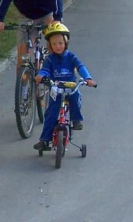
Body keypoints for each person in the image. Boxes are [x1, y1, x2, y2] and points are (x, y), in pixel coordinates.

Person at [33, 23, 96, 151]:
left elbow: (81, 67)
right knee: (51, 113)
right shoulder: (50, 59)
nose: (57, 46)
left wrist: (88, 78)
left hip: (70, 87)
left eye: (60, 43)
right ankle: (44, 140)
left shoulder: (71, 57)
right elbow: (45, 70)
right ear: (50, 45)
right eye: (54, 44)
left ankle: (76, 120)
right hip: (56, 88)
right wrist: (41, 75)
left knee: (76, 96)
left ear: (66, 42)